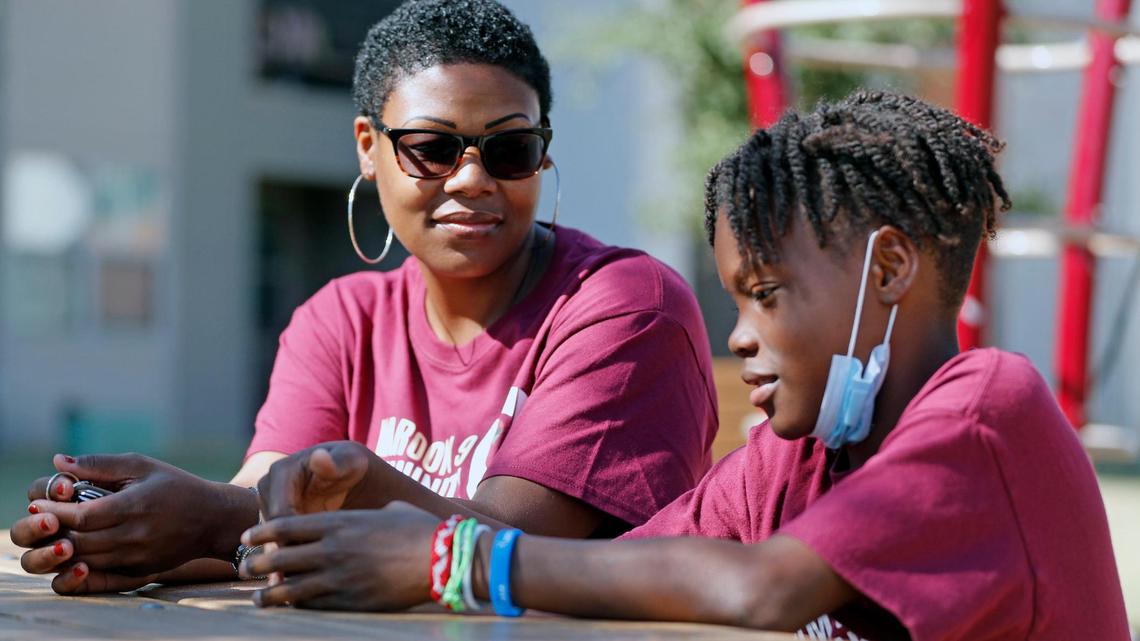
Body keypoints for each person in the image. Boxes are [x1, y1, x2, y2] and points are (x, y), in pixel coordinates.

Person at [236, 92, 1129, 641]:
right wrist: (380, 501)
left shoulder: (983, 409)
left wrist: (445, 557)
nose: (738, 336)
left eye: (767, 293)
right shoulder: (795, 458)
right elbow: (599, 577)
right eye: (735, 300)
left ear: (889, 268)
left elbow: (763, 587)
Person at [11, 0, 717, 594]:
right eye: (432, 147)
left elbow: (506, 548)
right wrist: (126, 539)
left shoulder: (624, 306)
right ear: (367, 148)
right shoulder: (340, 319)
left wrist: (212, 517)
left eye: (510, 150)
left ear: (544, 153)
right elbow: (256, 512)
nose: (473, 179)